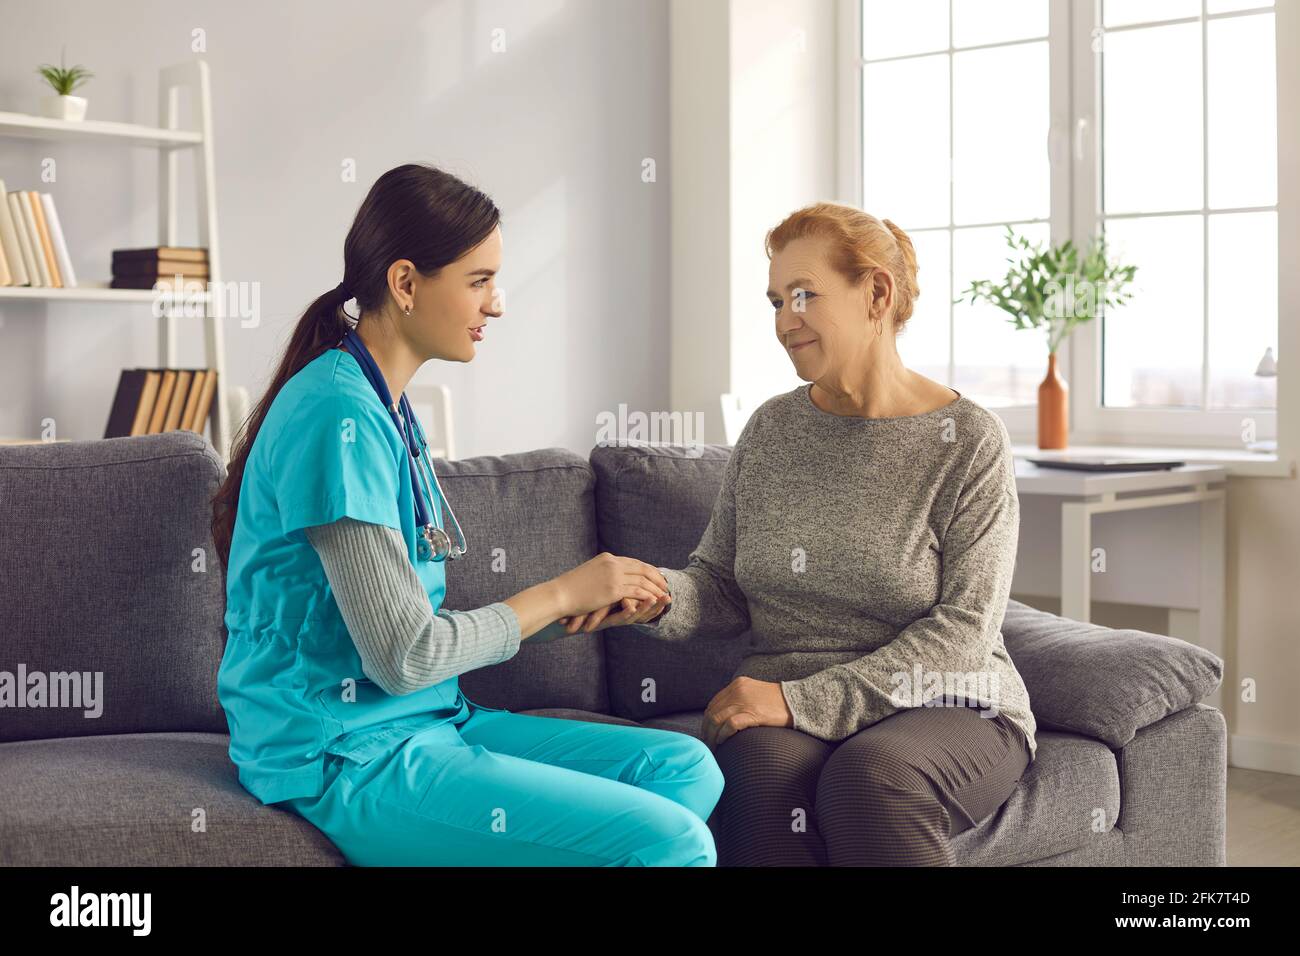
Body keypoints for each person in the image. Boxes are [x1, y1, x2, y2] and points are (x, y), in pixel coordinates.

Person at [210, 163, 722, 866]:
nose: (497, 303)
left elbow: (412, 639)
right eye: (479, 281)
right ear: (406, 283)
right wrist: (559, 593)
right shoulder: (337, 416)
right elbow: (404, 654)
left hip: (428, 718)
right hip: (341, 748)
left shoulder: (384, 404)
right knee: (670, 841)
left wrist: (572, 610)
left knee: (685, 769)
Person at [559, 202, 1037, 866]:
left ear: (876, 292)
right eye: (777, 300)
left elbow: (963, 631)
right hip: (787, 696)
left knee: (870, 781)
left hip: (947, 698)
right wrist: (660, 596)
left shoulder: (968, 441)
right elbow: (722, 587)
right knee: (754, 772)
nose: (785, 321)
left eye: (804, 296)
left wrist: (803, 701)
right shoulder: (771, 431)